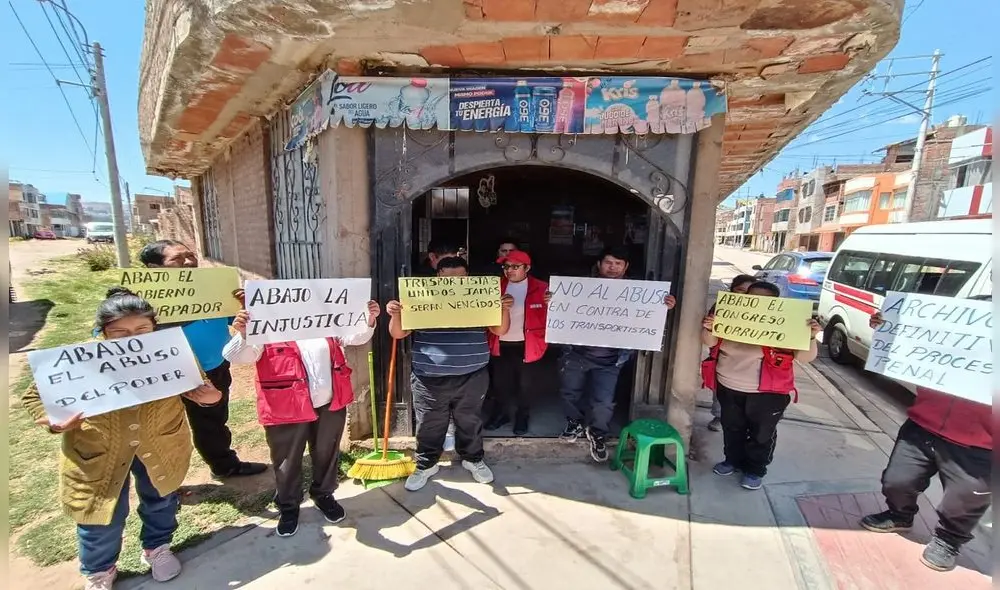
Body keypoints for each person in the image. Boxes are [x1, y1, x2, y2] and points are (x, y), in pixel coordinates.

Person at [21, 287, 223, 590]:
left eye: (142, 329)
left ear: (154, 326)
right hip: (98, 450)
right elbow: (35, 396)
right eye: (120, 333)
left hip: (161, 443)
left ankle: (157, 547)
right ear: (103, 332)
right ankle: (99, 570)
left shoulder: (172, 351)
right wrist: (53, 421)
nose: (133, 338)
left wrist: (209, 396)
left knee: (161, 498)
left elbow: (205, 389)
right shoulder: (78, 358)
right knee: (101, 512)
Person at [222, 297, 380, 538]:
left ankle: (324, 494)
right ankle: (288, 506)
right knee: (287, 460)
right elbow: (236, 356)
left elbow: (355, 337)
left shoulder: (325, 323)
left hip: (330, 402)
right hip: (286, 407)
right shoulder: (267, 327)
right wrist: (244, 334)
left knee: (327, 452)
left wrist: (368, 319)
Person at [860, 299, 991, 572]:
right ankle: (900, 515)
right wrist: (889, 328)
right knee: (897, 482)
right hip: (923, 425)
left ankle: (948, 540)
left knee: (964, 500)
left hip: (983, 443)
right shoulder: (968, 311)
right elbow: (920, 343)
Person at [138, 240, 266, 478]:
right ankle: (164, 485)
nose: (189, 262)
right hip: (165, 374)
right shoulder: (138, 300)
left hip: (214, 369)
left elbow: (235, 322)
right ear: (152, 268)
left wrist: (244, 307)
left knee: (213, 422)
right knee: (161, 429)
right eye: (177, 259)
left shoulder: (213, 290)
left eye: (191, 255)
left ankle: (224, 465)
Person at [386, 256, 513, 491]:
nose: (455, 284)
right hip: (429, 377)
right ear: (438, 277)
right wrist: (396, 313)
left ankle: (473, 459)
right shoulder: (419, 298)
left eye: (461, 279)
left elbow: (500, 329)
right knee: (429, 423)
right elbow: (398, 334)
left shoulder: (479, 298)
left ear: (468, 278)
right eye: (448, 279)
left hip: (473, 375)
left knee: (470, 419)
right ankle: (426, 464)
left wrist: (503, 309)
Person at [555, 246, 676, 463]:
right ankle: (574, 422)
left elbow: (647, 319)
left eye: (618, 263)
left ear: (626, 267)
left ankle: (597, 433)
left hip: (611, 360)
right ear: (599, 264)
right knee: (569, 393)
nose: (613, 267)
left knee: (603, 401)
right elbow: (561, 310)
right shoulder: (578, 288)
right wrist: (552, 301)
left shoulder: (640, 293)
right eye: (608, 262)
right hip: (576, 353)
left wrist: (662, 307)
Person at [701, 280, 821, 490]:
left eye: (764, 301)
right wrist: (710, 327)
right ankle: (732, 460)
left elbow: (804, 357)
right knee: (732, 428)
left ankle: (755, 469)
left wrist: (810, 336)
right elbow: (709, 342)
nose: (756, 303)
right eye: (752, 297)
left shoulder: (787, 323)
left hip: (768, 393)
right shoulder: (729, 315)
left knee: (762, 434)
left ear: (775, 304)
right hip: (728, 385)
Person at [484, 249, 548, 435]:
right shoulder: (494, 287)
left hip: (527, 345)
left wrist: (552, 302)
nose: (509, 270)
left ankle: (522, 416)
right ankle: (500, 414)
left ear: (527, 268)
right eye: (506, 266)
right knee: (500, 384)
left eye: (515, 266)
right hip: (500, 342)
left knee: (525, 385)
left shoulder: (543, 288)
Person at [706, 274, 756, 432]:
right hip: (725, 363)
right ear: (732, 290)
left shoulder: (765, 315)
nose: (744, 295)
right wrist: (709, 326)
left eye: (750, 292)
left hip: (753, 372)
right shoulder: (721, 307)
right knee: (722, 393)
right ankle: (719, 416)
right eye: (740, 290)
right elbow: (709, 340)